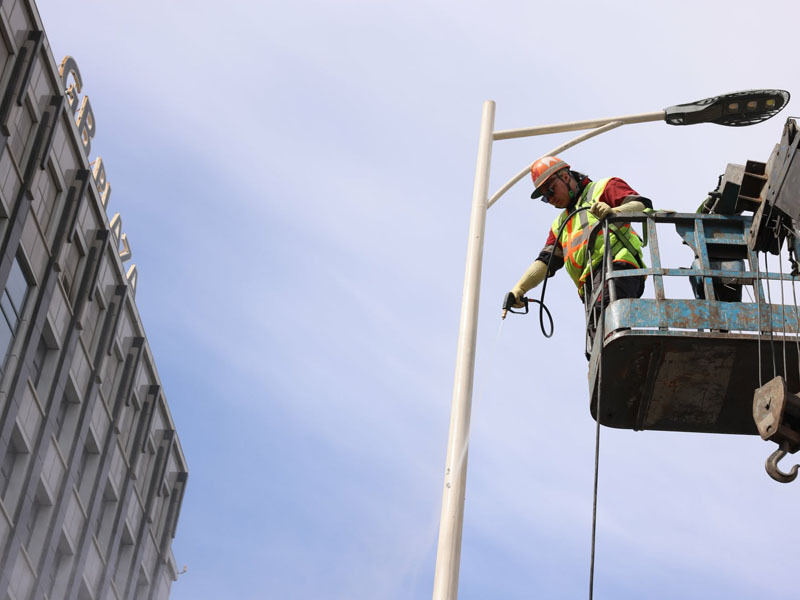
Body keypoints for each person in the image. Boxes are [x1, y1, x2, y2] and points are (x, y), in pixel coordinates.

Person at [507, 156, 652, 334]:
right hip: (591, 287)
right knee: (596, 341)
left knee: (605, 323)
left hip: (619, 267)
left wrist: (615, 212)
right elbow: (546, 261)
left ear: (566, 177)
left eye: (551, 191)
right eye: (545, 197)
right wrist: (519, 288)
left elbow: (641, 204)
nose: (550, 199)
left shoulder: (602, 188)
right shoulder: (560, 226)